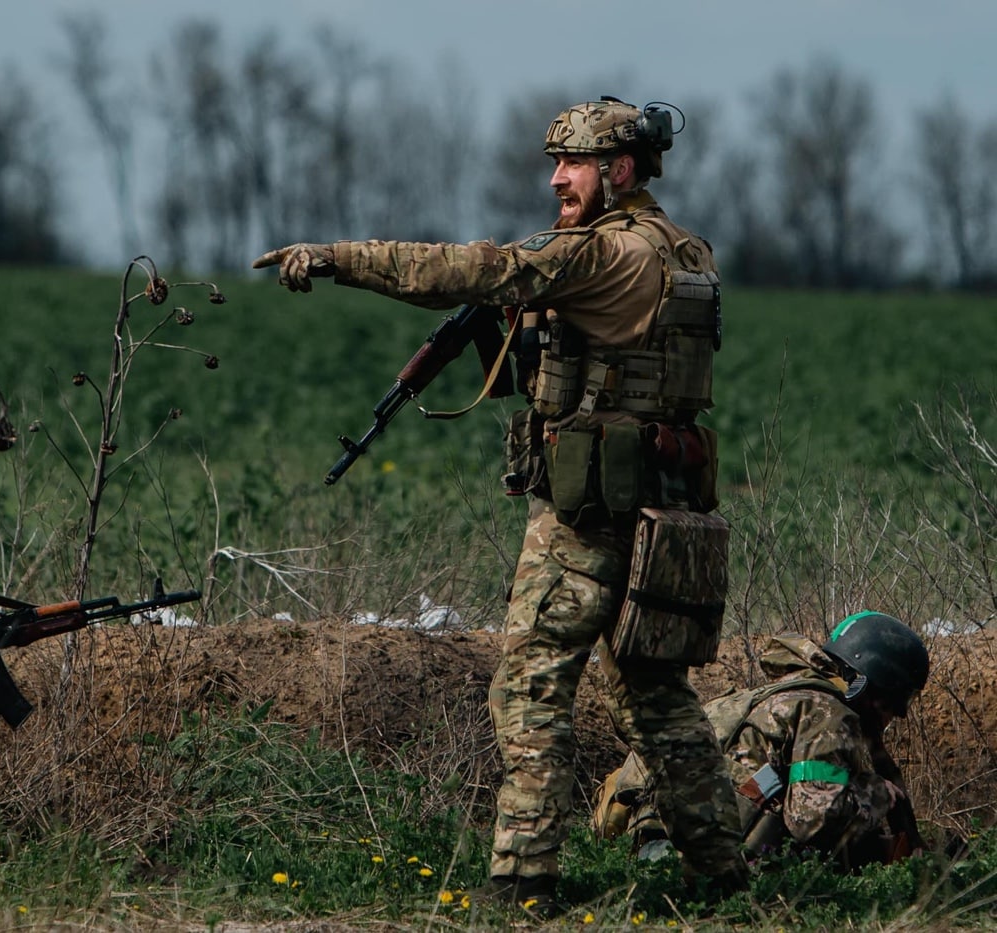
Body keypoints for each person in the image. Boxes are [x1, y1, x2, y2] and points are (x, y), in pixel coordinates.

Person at [254, 96, 748, 909]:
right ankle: (724, 874)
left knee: (527, 688)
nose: (557, 177)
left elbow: (481, 267)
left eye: (574, 164)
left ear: (619, 171)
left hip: (588, 517)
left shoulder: (606, 256)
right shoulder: (684, 249)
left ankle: (524, 879)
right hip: (667, 515)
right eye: (555, 163)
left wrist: (337, 256)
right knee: (654, 696)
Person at [594, 611, 930, 870]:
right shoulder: (826, 713)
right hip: (694, 859)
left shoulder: (774, 696)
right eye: (900, 701)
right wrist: (878, 793)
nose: (895, 716)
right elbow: (812, 821)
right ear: (879, 690)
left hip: (644, 845)